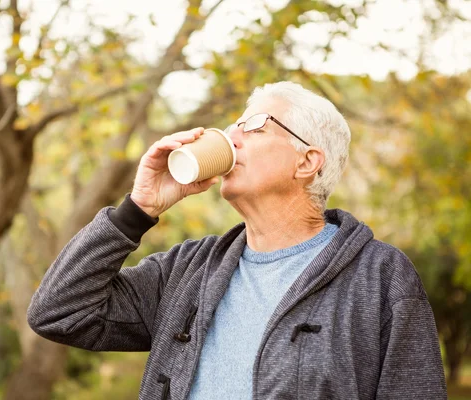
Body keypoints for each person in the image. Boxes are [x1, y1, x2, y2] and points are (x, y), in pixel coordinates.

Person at [27, 81, 447, 399]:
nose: (231, 136)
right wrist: (138, 210)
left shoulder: (379, 276)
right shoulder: (187, 270)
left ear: (307, 161)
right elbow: (59, 312)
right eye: (233, 125)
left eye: (253, 125)